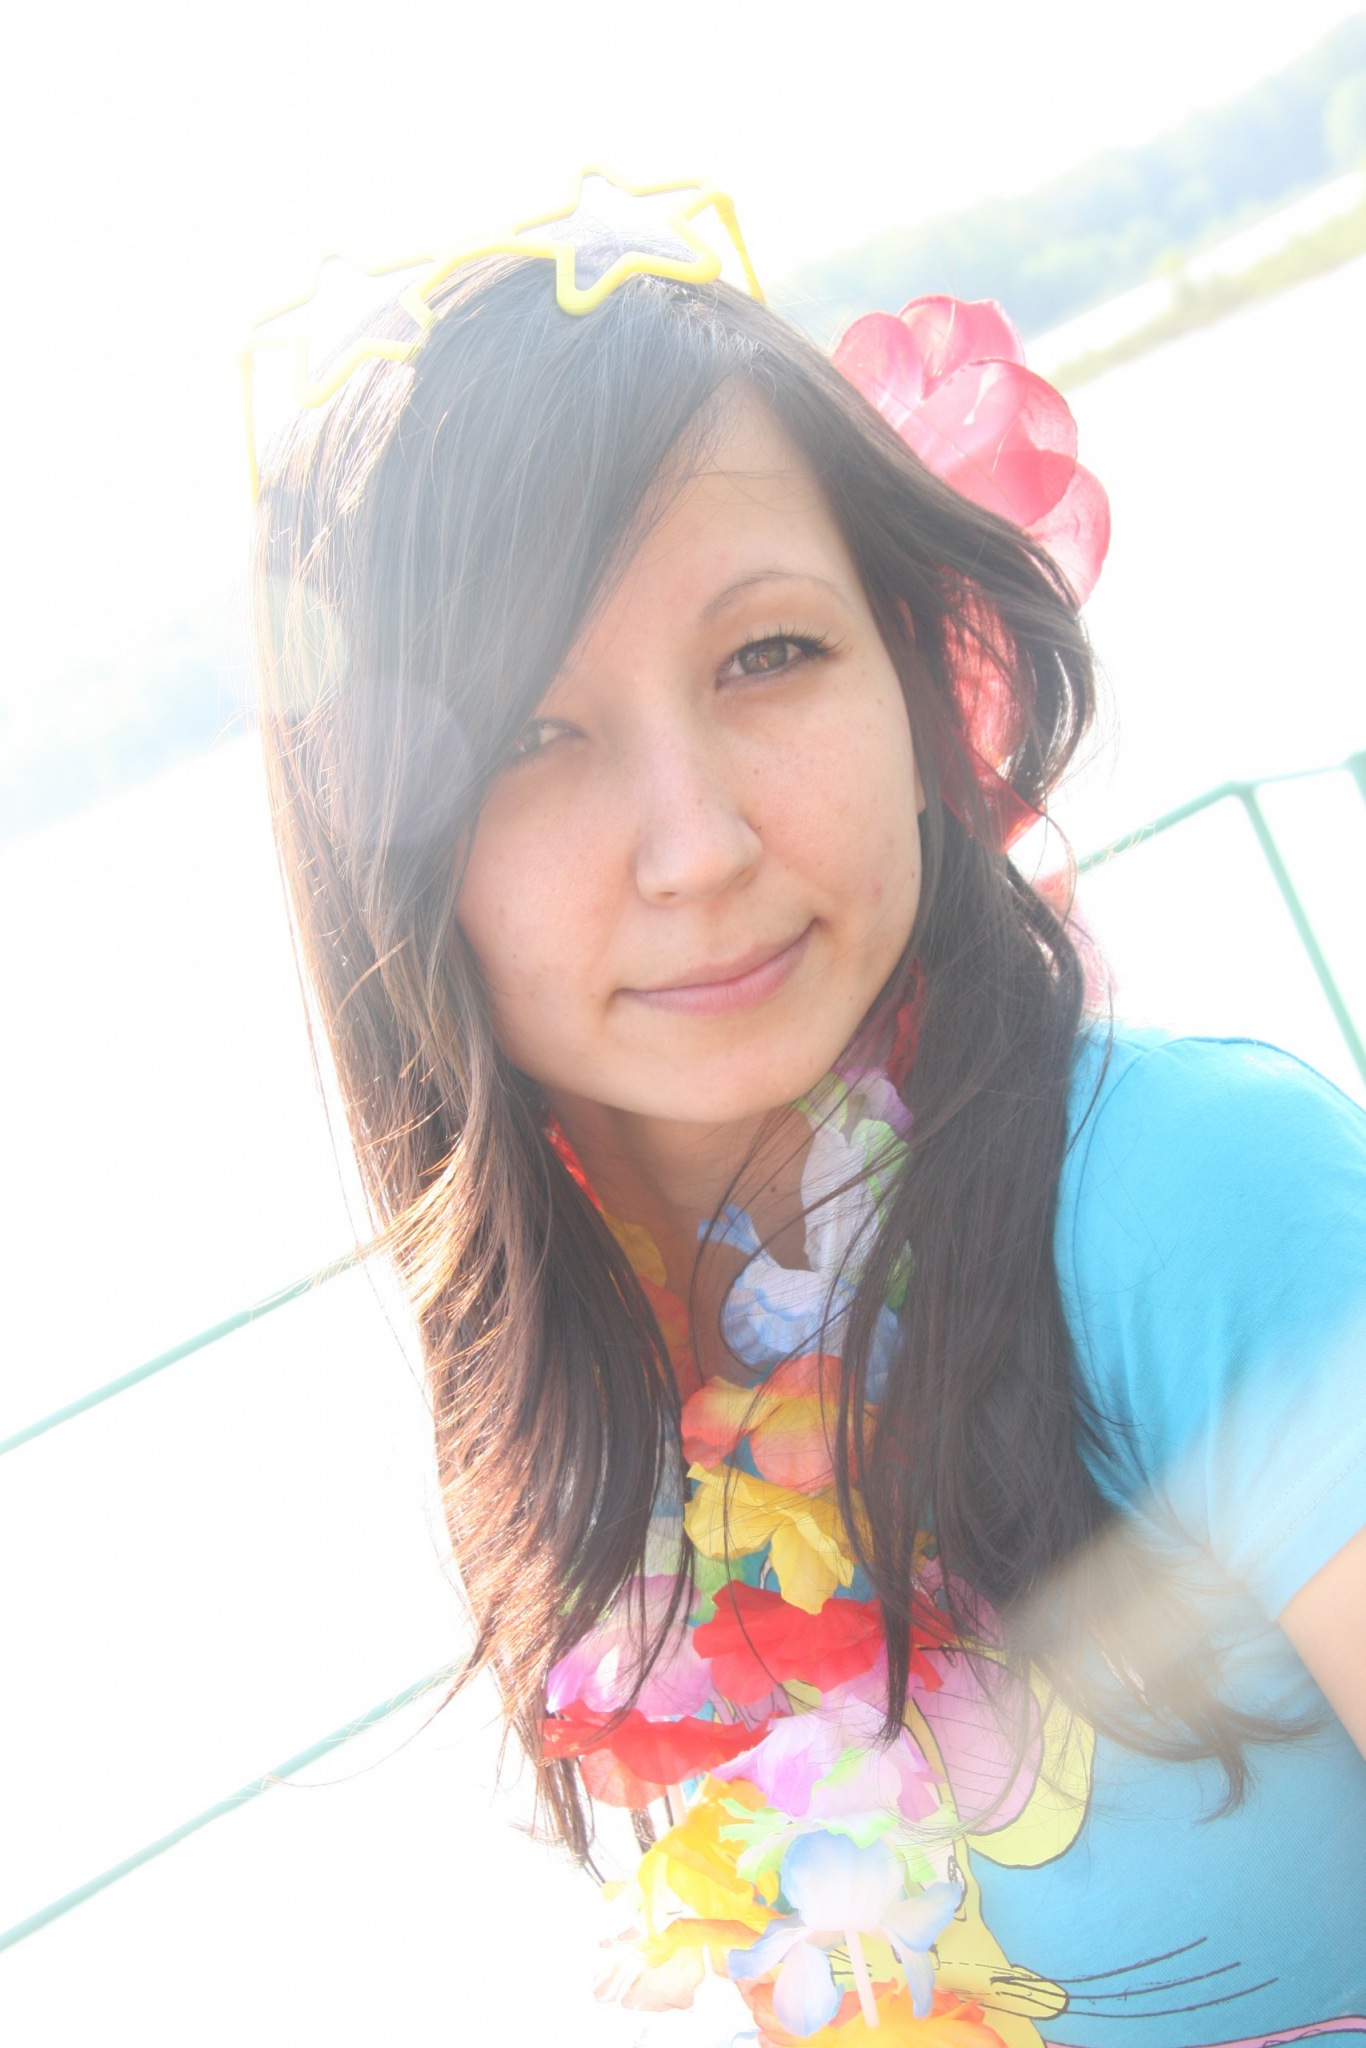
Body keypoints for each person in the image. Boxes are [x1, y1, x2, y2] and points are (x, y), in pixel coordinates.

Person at [249, 182, 1366, 2047]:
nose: (696, 847)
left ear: (916, 680)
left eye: (766, 654)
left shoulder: (1195, 1205)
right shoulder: (588, 1382)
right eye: (529, 735)